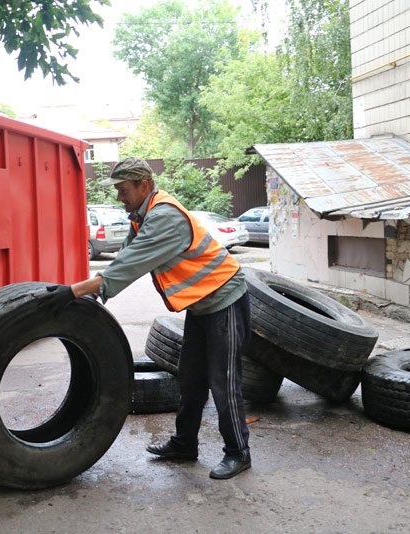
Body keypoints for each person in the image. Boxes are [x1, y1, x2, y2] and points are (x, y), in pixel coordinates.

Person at [39, 157, 252, 480]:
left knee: (223, 382)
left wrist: (73, 292)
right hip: (200, 305)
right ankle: (185, 444)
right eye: (118, 191)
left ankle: (238, 453)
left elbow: (131, 265)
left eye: (124, 190)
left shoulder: (164, 216)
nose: (119, 197)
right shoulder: (142, 216)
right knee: (190, 379)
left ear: (145, 186)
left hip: (225, 301)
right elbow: (124, 258)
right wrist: (90, 293)